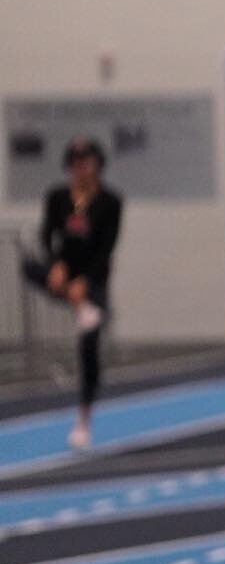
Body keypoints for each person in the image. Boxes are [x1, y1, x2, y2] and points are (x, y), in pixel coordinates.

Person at [22, 137, 123, 451]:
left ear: (96, 164)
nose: (80, 168)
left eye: (86, 161)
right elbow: (46, 234)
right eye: (75, 162)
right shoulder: (57, 198)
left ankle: (84, 420)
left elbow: (106, 248)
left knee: (89, 348)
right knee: (28, 266)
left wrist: (85, 280)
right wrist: (57, 266)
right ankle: (81, 310)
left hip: (92, 282)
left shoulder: (110, 202)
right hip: (64, 278)